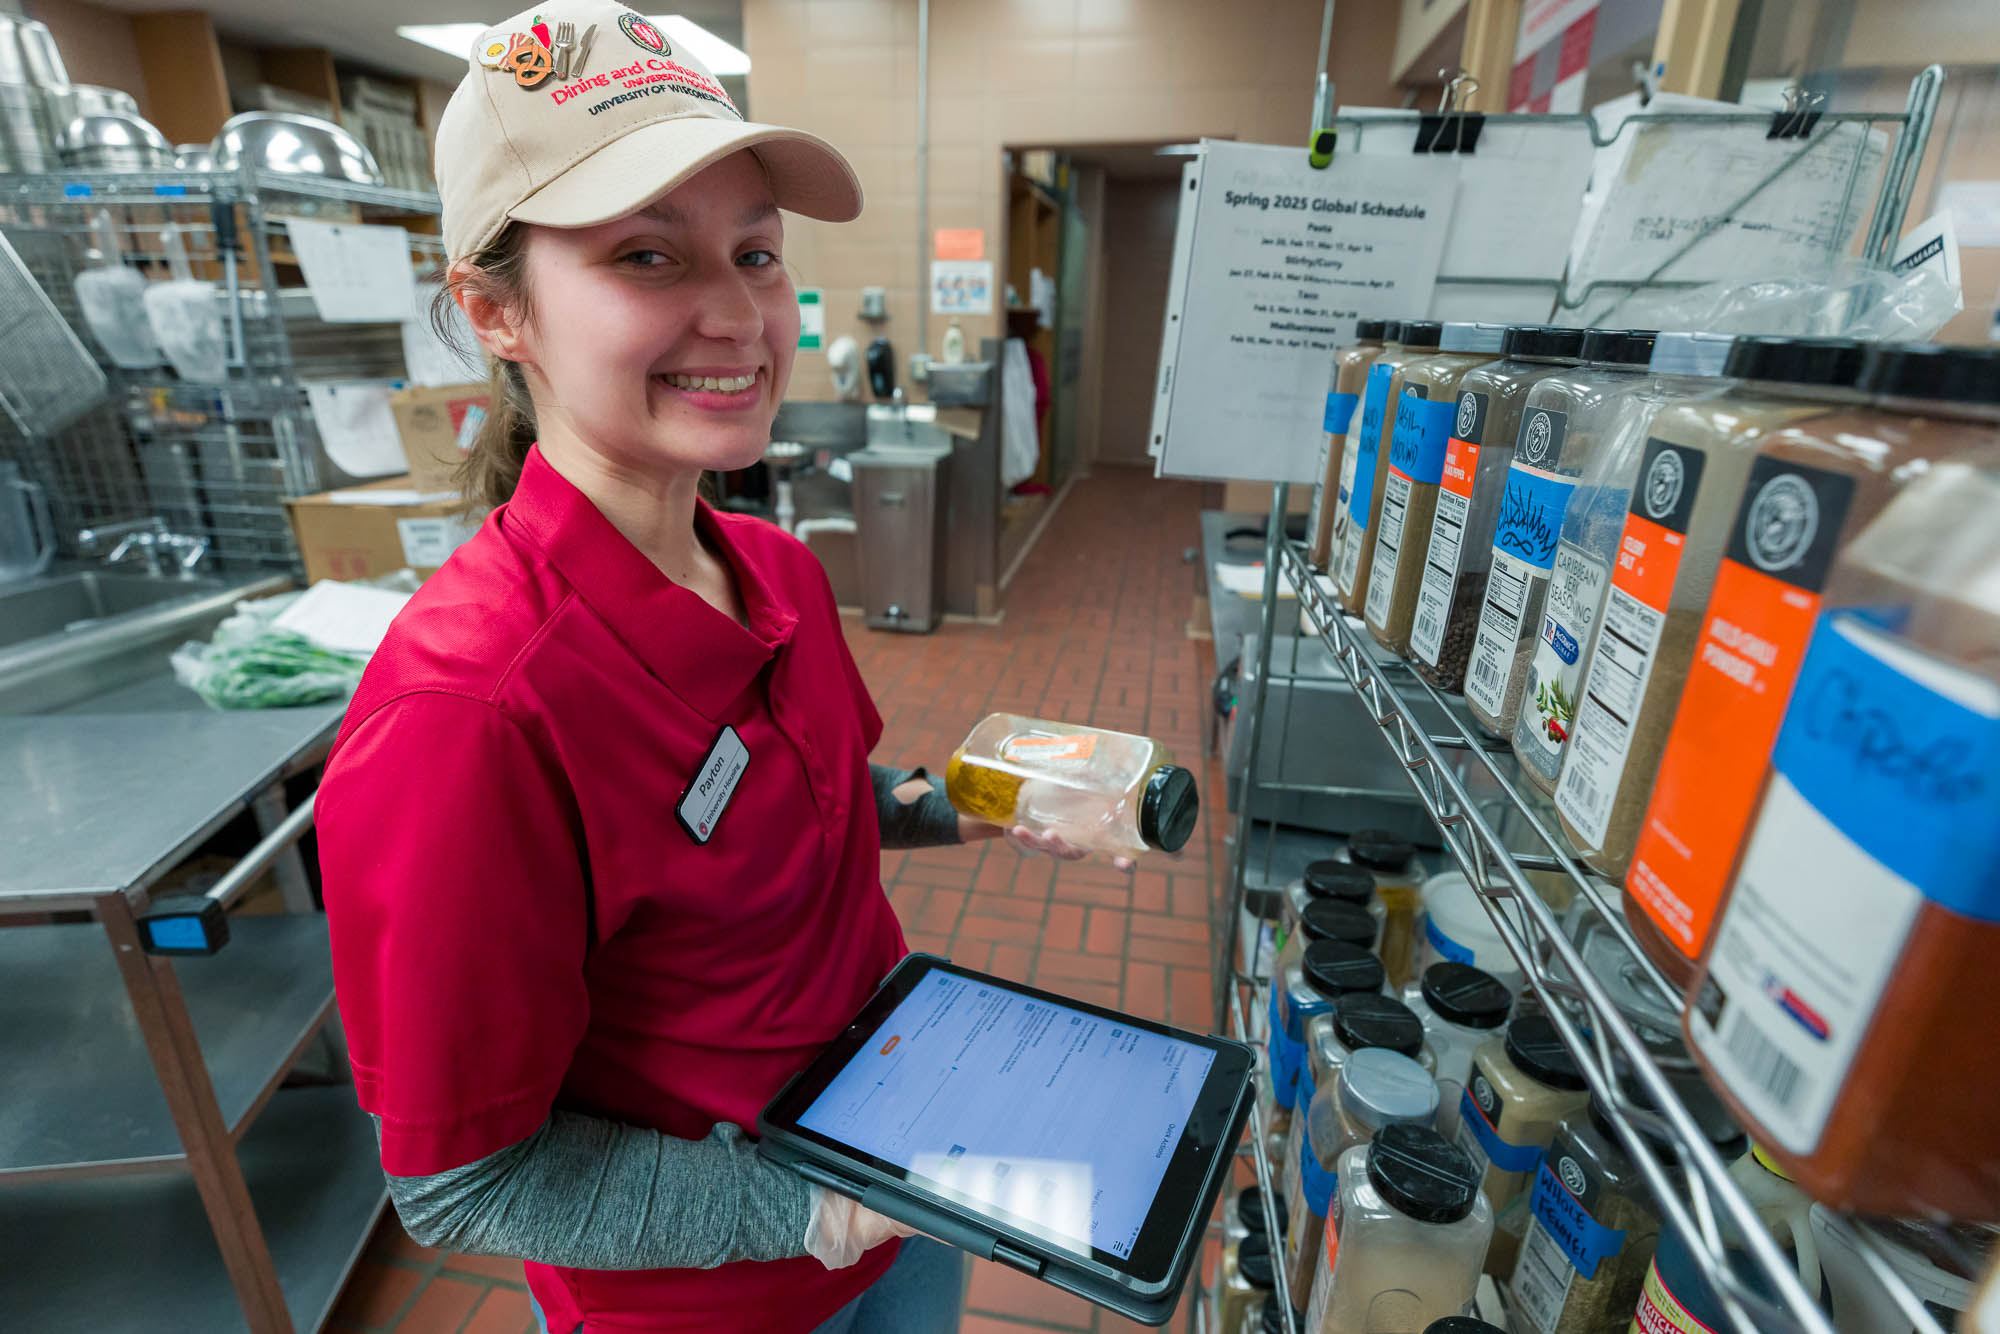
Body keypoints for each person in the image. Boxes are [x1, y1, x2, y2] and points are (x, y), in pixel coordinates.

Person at [314, 4, 1117, 1331]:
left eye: (754, 251)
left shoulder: (774, 570)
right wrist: (814, 1208)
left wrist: (970, 799)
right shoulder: (468, 716)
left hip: (904, 1186)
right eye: (647, 254)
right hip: (711, 1294)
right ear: (495, 307)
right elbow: (460, 1186)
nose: (739, 313)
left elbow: (804, 812)